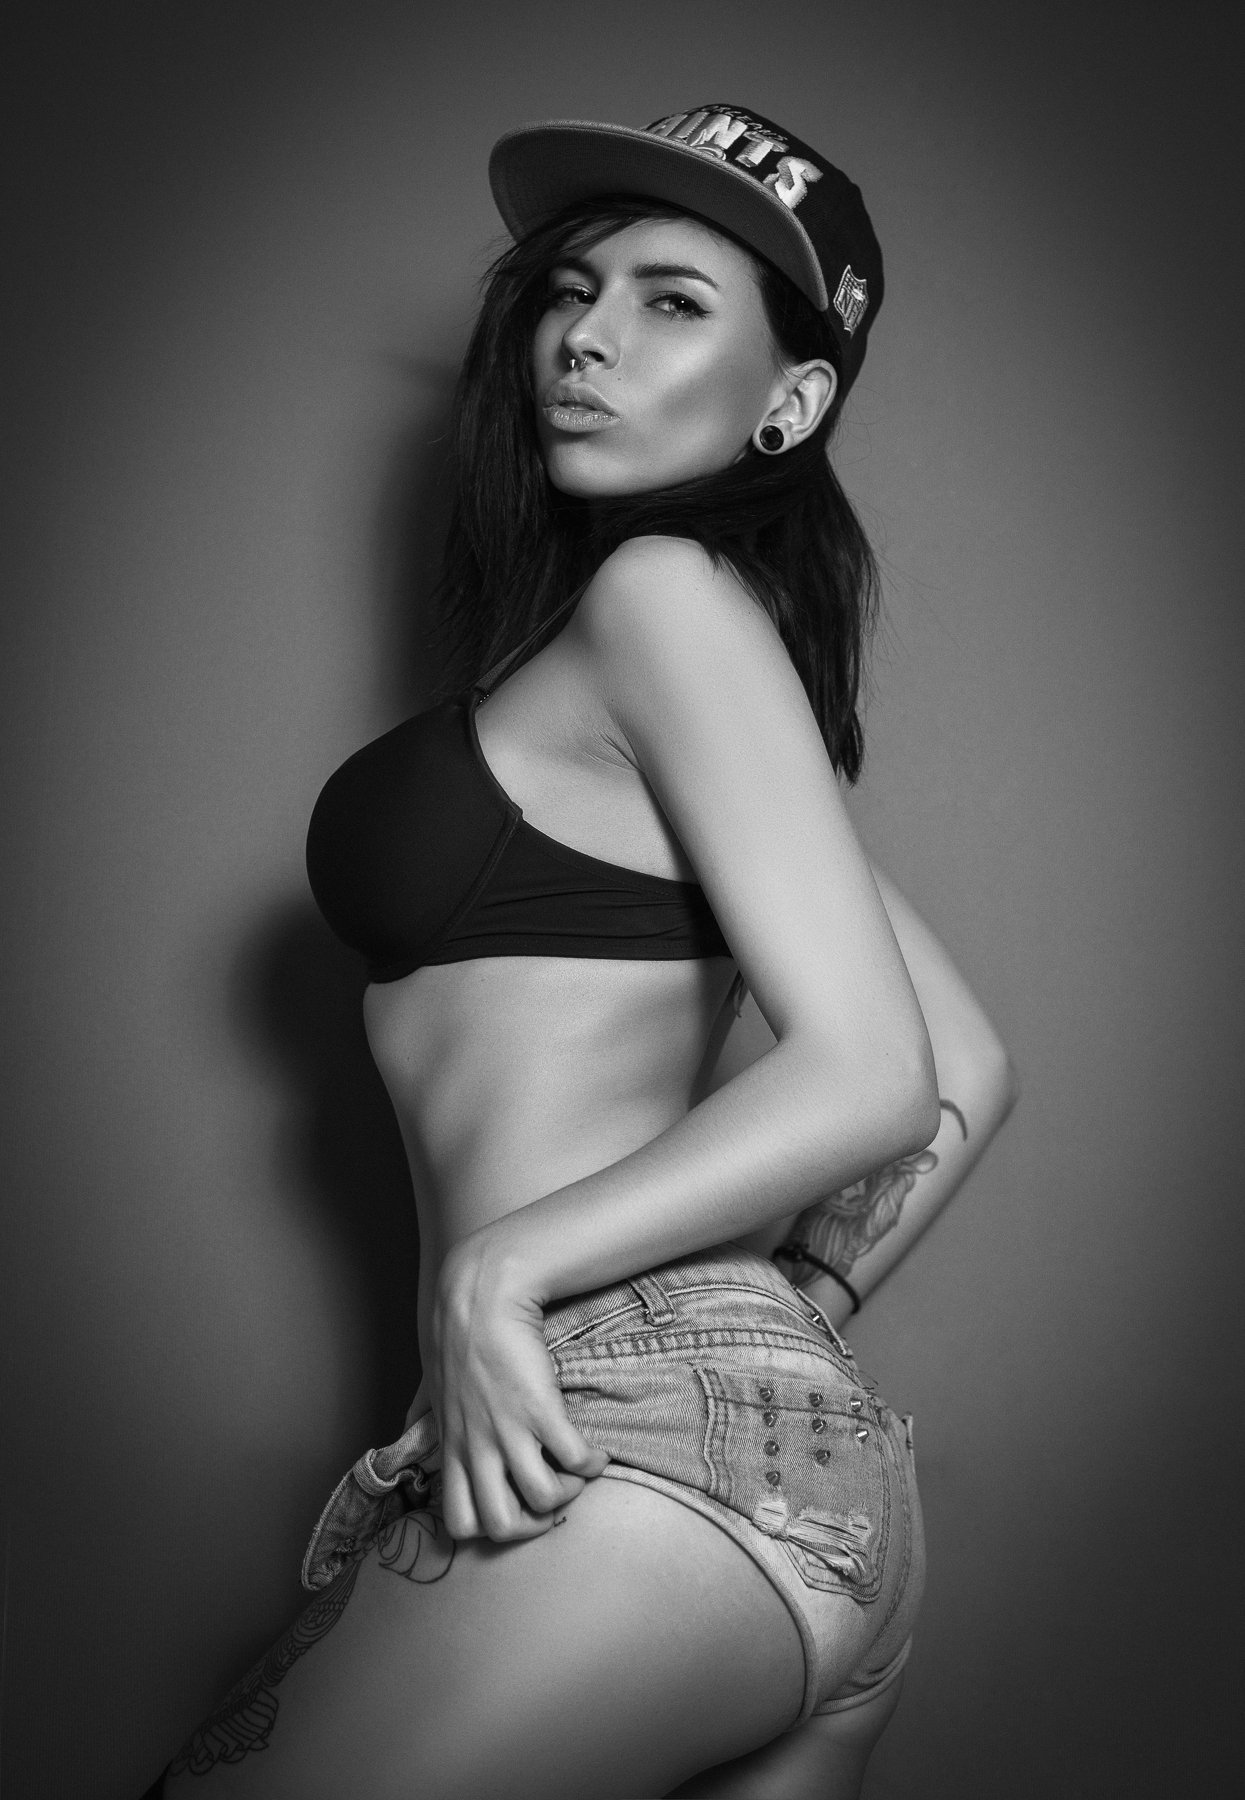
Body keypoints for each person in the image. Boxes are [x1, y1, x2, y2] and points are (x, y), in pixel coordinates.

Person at [145, 104, 1017, 1800]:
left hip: (635, 1453)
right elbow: (967, 1070)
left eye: (672, 302)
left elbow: (881, 1075)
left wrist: (499, 1276)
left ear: (789, 405)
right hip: (788, 1489)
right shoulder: (679, 669)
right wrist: (782, 1336)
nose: (587, 337)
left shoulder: (661, 597)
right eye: (572, 289)